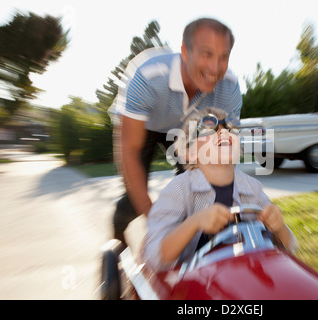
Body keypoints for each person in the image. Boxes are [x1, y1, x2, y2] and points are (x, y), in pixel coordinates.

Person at [109, 18, 242, 246]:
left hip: (185, 127)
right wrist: (156, 223)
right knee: (134, 201)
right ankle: (118, 233)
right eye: (207, 54)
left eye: (223, 57)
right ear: (185, 52)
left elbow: (222, 156)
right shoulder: (149, 76)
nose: (216, 68)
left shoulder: (229, 88)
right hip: (146, 126)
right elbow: (129, 150)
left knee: (198, 190)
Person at [143, 108, 297, 271]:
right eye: (209, 129)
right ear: (189, 152)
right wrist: (195, 222)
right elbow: (155, 257)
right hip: (197, 282)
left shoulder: (253, 188)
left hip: (248, 272)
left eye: (230, 129)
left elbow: (289, 248)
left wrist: (279, 226)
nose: (224, 133)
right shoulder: (178, 190)